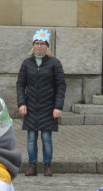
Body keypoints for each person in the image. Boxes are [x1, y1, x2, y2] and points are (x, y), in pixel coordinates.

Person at [16, 29, 66, 177]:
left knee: (46, 138)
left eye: (42, 44)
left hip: (48, 106)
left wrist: (58, 107)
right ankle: (32, 165)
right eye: (37, 43)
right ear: (33, 46)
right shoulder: (27, 63)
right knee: (31, 138)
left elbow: (61, 86)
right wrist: (21, 103)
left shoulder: (54, 63)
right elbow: (20, 84)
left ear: (47, 46)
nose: (39, 46)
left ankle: (47, 165)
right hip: (31, 106)